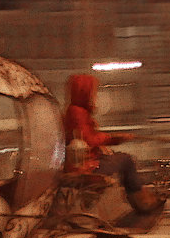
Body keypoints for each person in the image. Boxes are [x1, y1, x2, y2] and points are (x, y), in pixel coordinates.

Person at [63, 73, 163, 221]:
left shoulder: (79, 112)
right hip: (89, 167)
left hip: (90, 162)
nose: (94, 97)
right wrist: (115, 138)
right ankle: (141, 201)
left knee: (120, 158)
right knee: (126, 160)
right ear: (84, 92)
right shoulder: (77, 113)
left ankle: (138, 197)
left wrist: (114, 140)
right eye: (92, 93)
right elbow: (89, 140)